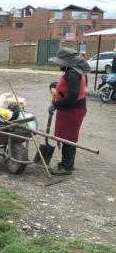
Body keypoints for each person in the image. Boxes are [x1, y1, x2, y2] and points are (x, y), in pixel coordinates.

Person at [48, 48, 90, 176]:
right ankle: (69, 164)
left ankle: (65, 167)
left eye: (60, 62)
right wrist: (59, 85)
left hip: (71, 110)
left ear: (68, 61)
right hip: (75, 108)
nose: (59, 65)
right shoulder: (75, 71)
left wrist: (55, 105)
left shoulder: (72, 74)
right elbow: (73, 87)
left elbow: (72, 95)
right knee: (71, 137)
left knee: (67, 138)